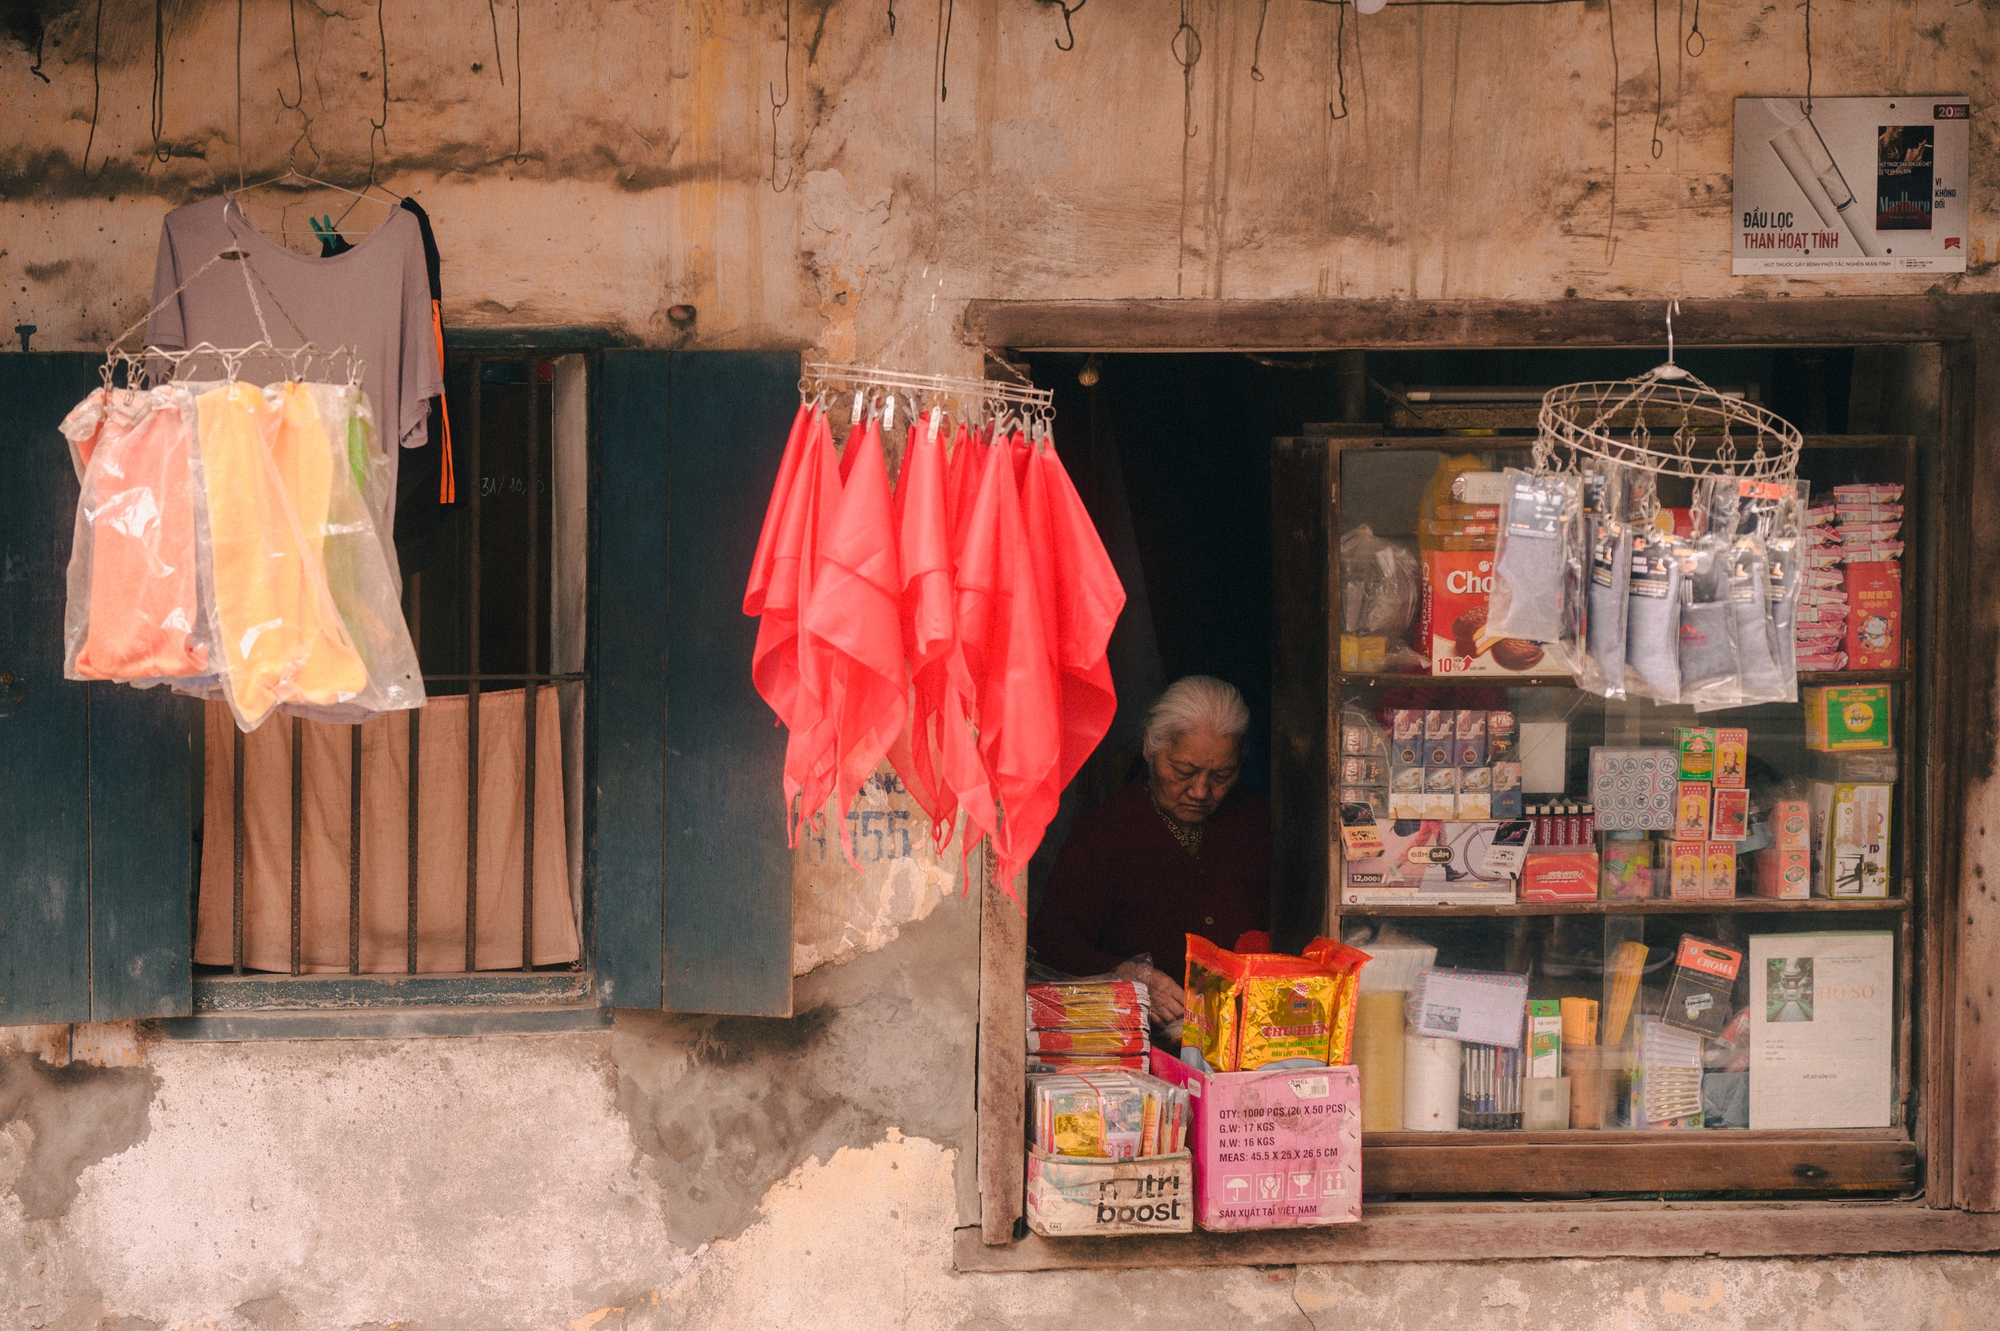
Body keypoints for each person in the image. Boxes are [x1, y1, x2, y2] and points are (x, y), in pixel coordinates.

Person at [1029, 675, 1271, 1034]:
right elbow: (1051, 945)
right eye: (1184, 771)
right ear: (1149, 748)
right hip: (1138, 1041)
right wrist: (1128, 974)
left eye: (1222, 774)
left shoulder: (1259, 821)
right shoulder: (1104, 836)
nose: (1201, 791)